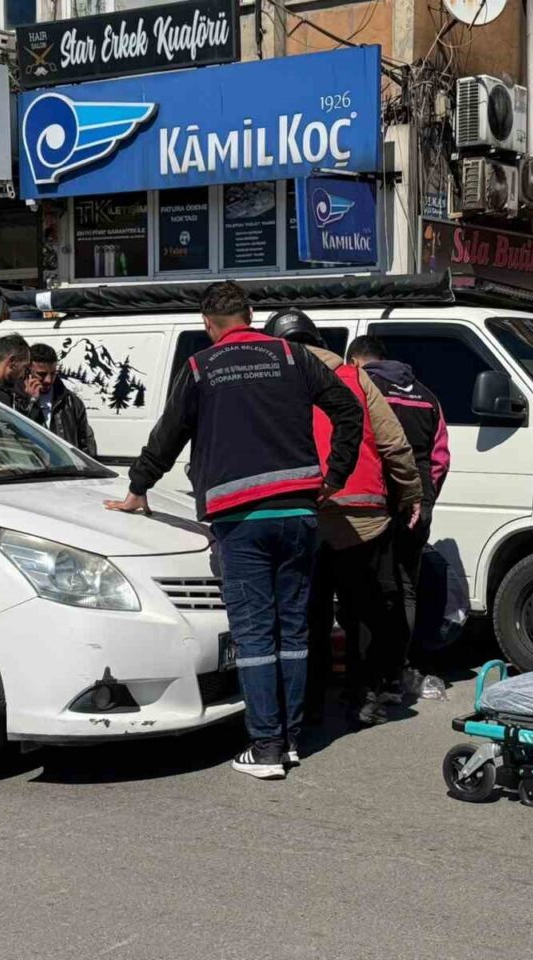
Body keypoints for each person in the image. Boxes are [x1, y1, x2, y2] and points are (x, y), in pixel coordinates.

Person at [104, 282, 362, 781]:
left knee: (255, 634)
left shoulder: (201, 367)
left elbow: (169, 434)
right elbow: (349, 410)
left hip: (241, 519)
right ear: (251, 315)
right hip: (298, 513)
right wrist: (336, 474)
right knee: (294, 630)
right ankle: (290, 740)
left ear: (208, 324)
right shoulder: (293, 357)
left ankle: (265, 748)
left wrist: (138, 488)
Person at [262, 313, 421, 727]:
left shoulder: (271, 379)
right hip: (362, 518)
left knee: (307, 613)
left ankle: (309, 701)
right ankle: (363, 697)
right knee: (363, 613)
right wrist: (410, 494)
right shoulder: (355, 377)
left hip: (303, 512)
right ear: (318, 340)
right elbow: (394, 444)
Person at [345, 334, 452, 698]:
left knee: (371, 589)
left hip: (377, 498)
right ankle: (397, 673)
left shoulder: (364, 387)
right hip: (418, 501)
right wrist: (426, 498)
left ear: (357, 362)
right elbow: (440, 458)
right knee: (407, 587)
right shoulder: (427, 395)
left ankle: (371, 677)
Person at [20, 342, 98, 458]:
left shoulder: (71, 401)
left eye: (53, 374)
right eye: (42, 374)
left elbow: (86, 444)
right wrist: (31, 402)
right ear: (28, 371)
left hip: (65, 467)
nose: (48, 380)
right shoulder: (16, 399)